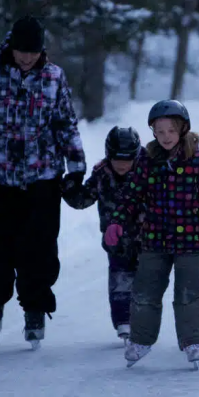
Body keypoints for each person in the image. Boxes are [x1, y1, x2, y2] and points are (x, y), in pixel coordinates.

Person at [0, 15, 86, 347]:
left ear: (42, 51)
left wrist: (76, 166)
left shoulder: (54, 77)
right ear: (11, 47)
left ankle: (35, 309)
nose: (26, 57)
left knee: (38, 248)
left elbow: (66, 123)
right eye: (21, 50)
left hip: (41, 177)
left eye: (33, 51)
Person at [104, 100, 199, 368]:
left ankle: (193, 341)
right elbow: (131, 196)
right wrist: (116, 221)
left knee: (189, 293)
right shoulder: (146, 161)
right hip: (154, 240)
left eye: (171, 131)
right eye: (160, 131)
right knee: (145, 291)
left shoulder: (198, 162)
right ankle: (140, 340)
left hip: (190, 241)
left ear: (183, 130)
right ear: (152, 131)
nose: (165, 137)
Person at [67, 126, 145, 344]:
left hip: (147, 240)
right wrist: (70, 188)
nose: (121, 164)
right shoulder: (102, 173)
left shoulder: (148, 171)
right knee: (120, 281)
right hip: (116, 242)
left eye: (127, 159)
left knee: (145, 284)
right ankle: (123, 322)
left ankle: (144, 323)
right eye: (116, 158)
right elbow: (84, 199)